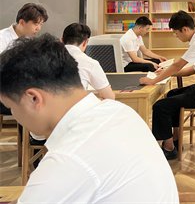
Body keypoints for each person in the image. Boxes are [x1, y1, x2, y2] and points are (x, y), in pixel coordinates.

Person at [0, 35, 179, 203]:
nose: (14, 115)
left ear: (33, 98)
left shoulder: (65, 162)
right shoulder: (121, 112)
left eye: (11, 107)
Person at [140, 11, 195, 160]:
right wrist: (167, 73)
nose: (176, 36)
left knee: (160, 106)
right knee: (172, 94)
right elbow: (191, 69)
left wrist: (153, 81)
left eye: (176, 33)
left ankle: (169, 148)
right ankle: (176, 139)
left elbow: (177, 65)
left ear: (185, 29)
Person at [0, 3, 48, 116]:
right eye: (35, 23)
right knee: (37, 107)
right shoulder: (2, 38)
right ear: (22, 22)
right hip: (5, 93)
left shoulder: (31, 41)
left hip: (23, 90)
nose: (38, 28)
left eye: (41, 24)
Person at [62, 23, 115, 100]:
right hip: (75, 106)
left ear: (62, 40)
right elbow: (109, 97)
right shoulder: (90, 63)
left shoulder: (46, 58)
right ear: (85, 42)